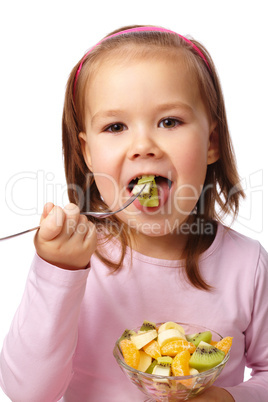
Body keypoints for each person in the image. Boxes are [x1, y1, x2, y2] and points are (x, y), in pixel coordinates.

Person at [0, 25, 267, 402]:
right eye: (115, 126)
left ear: (211, 141)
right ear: (88, 153)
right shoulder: (78, 259)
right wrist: (58, 272)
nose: (143, 145)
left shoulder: (247, 264)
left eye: (169, 122)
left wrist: (230, 398)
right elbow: (27, 393)